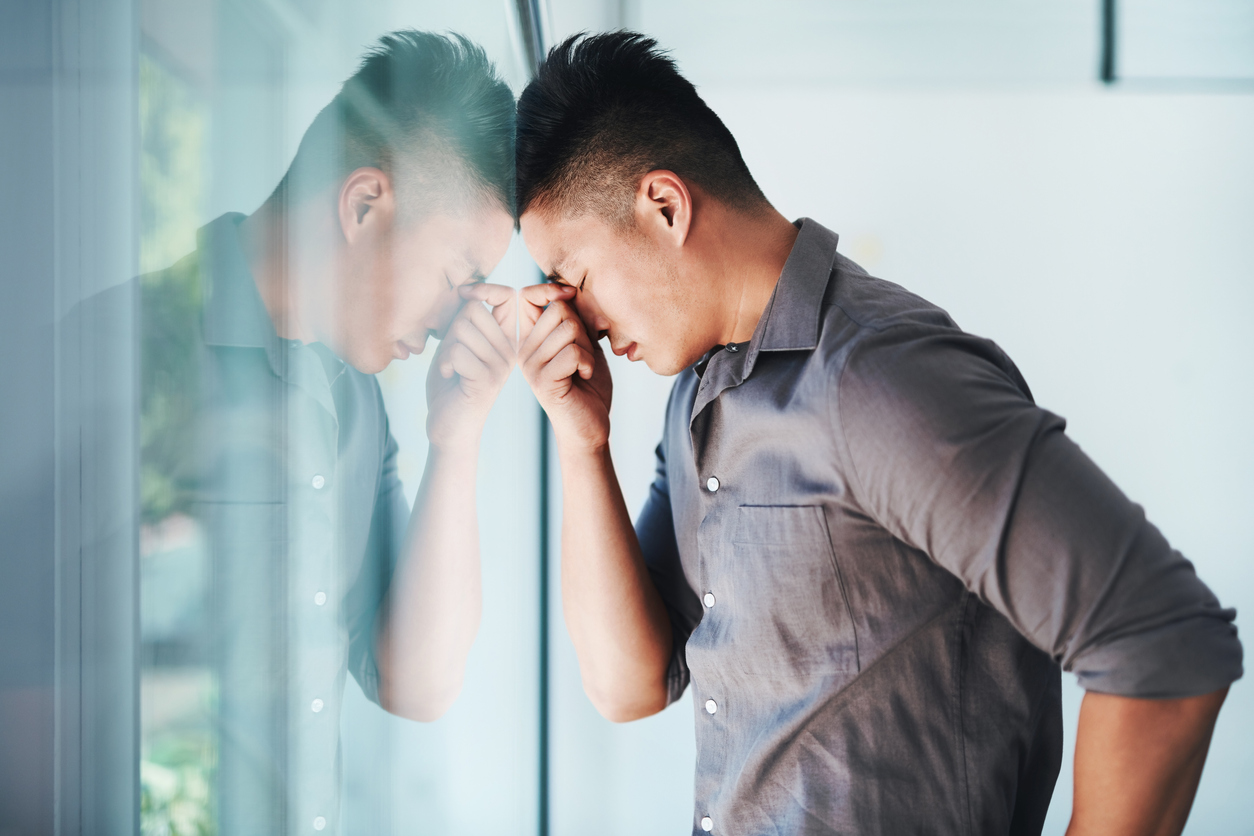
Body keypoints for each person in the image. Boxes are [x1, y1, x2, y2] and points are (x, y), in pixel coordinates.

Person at [513, 32, 1243, 836]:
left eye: (570, 277)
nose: (567, 313)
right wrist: (580, 441)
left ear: (664, 206)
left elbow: (1160, 639)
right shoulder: (697, 391)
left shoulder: (881, 379)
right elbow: (630, 684)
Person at [129, 31, 516, 833]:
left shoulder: (351, 394)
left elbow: (419, 683)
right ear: (364, 205)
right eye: (458, 278)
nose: (458, 322)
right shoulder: (126, 354)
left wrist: (458, 438)